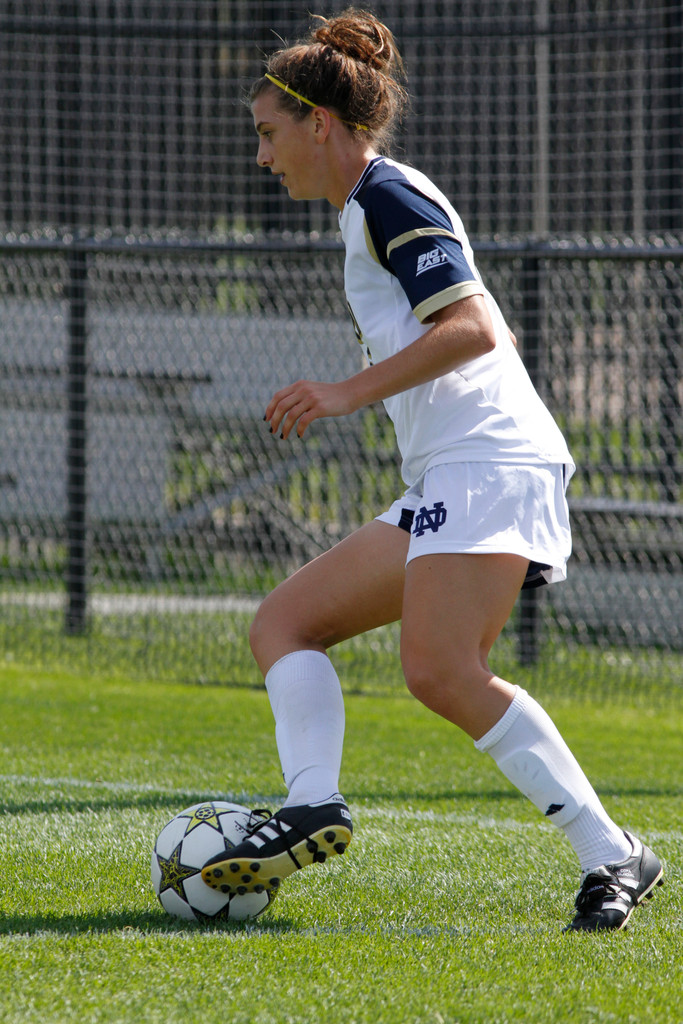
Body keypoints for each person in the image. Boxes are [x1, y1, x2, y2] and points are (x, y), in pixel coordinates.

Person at [201, 7, 663, 932]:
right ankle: (309, 808)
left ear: (317, 124)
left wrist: (344, 392)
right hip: (452, 475)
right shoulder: (359, 211)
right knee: (284, 622)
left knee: (442, 669)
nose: (262, 156)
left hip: (491, 462)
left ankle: (613, 853)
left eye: (267, 132)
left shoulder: (387, 196)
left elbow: (475, 328)